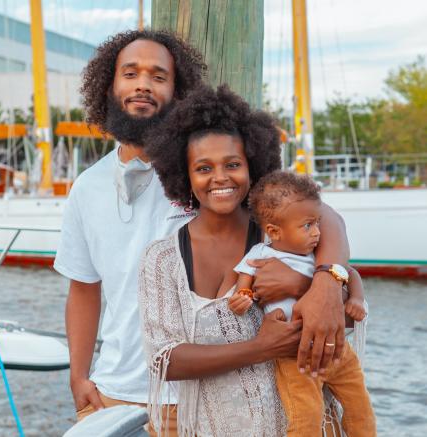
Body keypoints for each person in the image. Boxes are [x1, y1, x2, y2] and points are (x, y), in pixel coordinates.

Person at [139, 84, 353, 436]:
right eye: (203, 168)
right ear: (184, 176)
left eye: (233, 164)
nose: (220, 177)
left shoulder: (283, 236)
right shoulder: (162, 259)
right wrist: (260, 347)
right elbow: (164, 360)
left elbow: (341, 317)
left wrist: (315, 284)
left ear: (253, 165)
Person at [53, 29, 206, 435]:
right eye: (131, 73)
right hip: (109, 394)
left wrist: (334, 275)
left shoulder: (209, 171)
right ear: (110, 85)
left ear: (178, 90)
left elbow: (309, 211)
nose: (143, 84)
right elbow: (84, 288)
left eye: (159, 76)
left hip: (195, 397)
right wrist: (79, 376)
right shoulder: (87, 186)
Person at [227, 170, 376, 436]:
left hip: (337, 349)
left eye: (318, 223)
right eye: (308, 226)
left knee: (360, 407)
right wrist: (243, 298)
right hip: (296, 357)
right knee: (305, 416)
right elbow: (244, 283)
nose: (318, 232)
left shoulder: (318, 256)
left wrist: (356, 298)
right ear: (274, 231)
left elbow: (349, 273)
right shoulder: (261, 254)